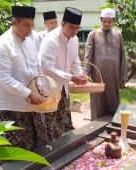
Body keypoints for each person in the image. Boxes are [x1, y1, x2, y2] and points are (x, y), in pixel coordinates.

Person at [0, 6, 46, 151]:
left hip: (30, 104)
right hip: (8, 107)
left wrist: (39, 84)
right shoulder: (3, 45)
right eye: (26, 25)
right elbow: (4, 78)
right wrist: (28, 93)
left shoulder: (29, 41)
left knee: (35, 148)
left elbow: (36, 67)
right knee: (12, 153)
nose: (30, 29)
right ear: (14, 22)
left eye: (32, 24)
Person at [39, 7, 87, 135]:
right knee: (48, 125)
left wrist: (80, 75)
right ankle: (49, 153)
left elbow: (75, 60)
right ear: (62, 24)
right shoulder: (50, 40)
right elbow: (46, 68)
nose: (74, 31)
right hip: (48, 90)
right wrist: (71, 77)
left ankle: (61, 151)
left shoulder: (74, 39)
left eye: (77, 28)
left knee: (61, 123)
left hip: (63, 89)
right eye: (71, 27)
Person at [84, 8, 127, 120]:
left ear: (113, 21)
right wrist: (86, 76)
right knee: (97, 101)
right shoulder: (92, 35)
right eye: (104, 21)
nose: (107, 24)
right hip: (98, 76)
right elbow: (88, 57)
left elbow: (122, 55)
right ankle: (96, 124)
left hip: (114, 76)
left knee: (114, 100)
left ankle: (115, 123)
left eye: (109, 21)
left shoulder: (118, 34)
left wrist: (123, 76)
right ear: (101, 20)